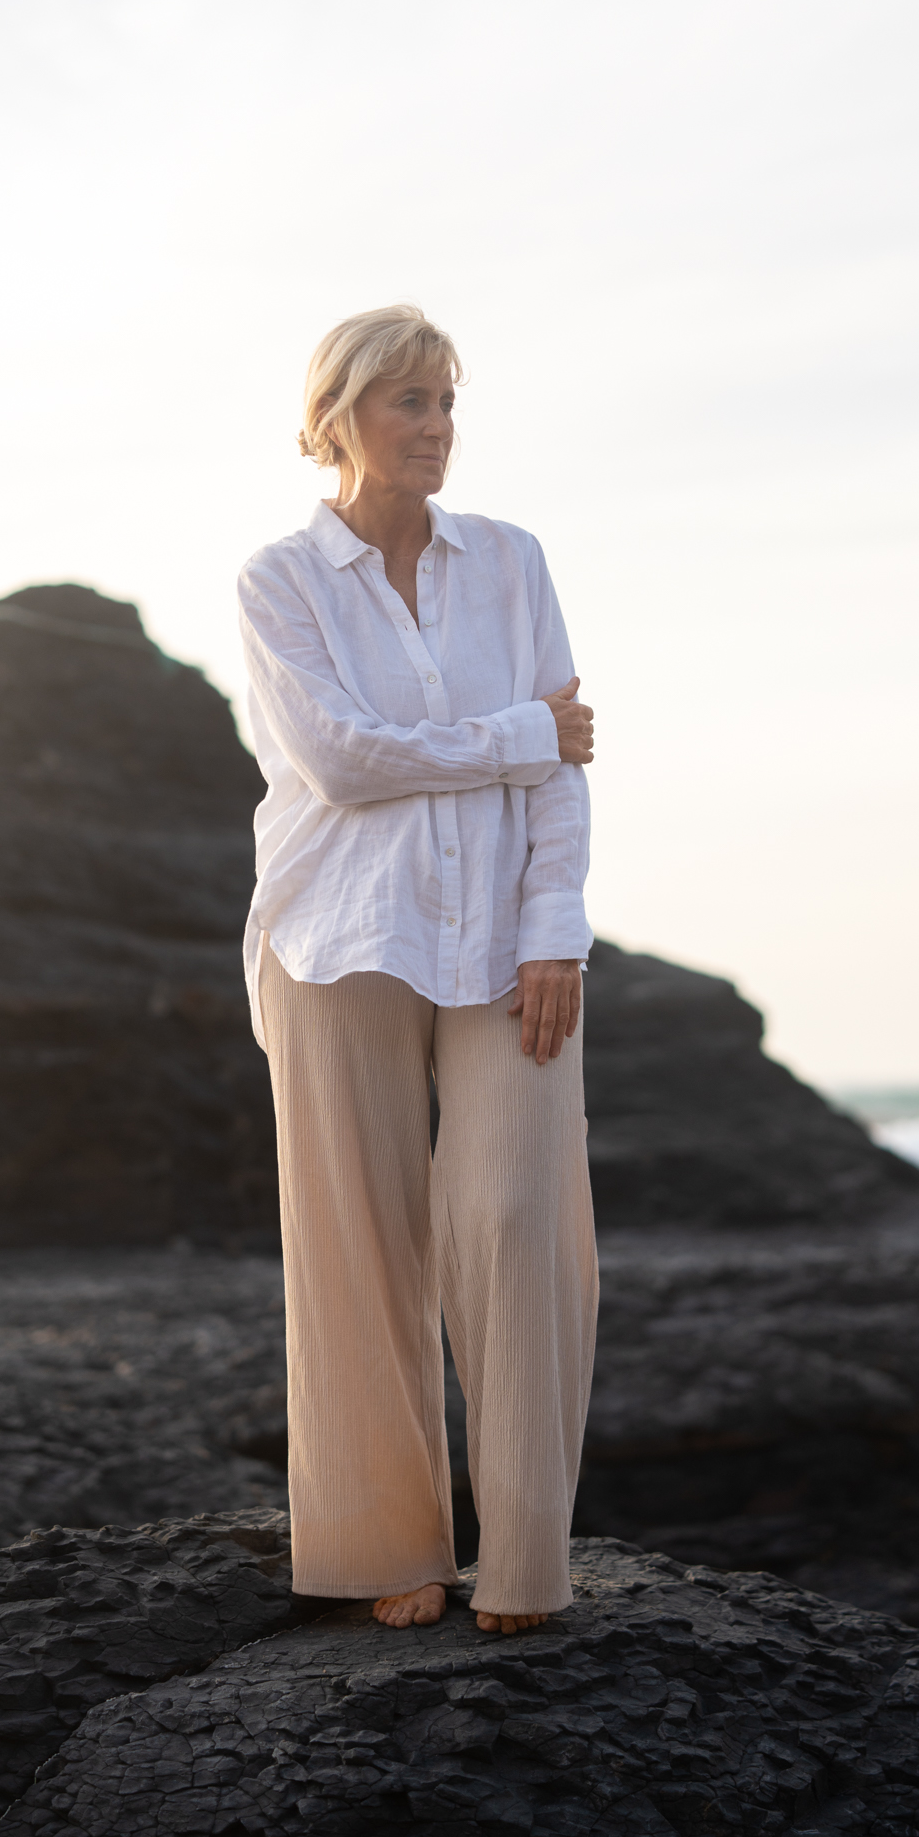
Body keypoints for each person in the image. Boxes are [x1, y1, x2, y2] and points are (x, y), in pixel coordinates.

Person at [237, 304, 598, 1636]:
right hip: (336, 932)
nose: (439, 428)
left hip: (508, 937)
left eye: (449, 402)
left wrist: (554, 924)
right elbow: (341, 759)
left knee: (515, 1216)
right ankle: (386, 1543)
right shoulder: (279, 582)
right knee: (359, 1243)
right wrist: (521, 731)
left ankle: (523, 1568)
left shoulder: (511, 563)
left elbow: (564, 773)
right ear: (342, 412)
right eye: (412, 403)